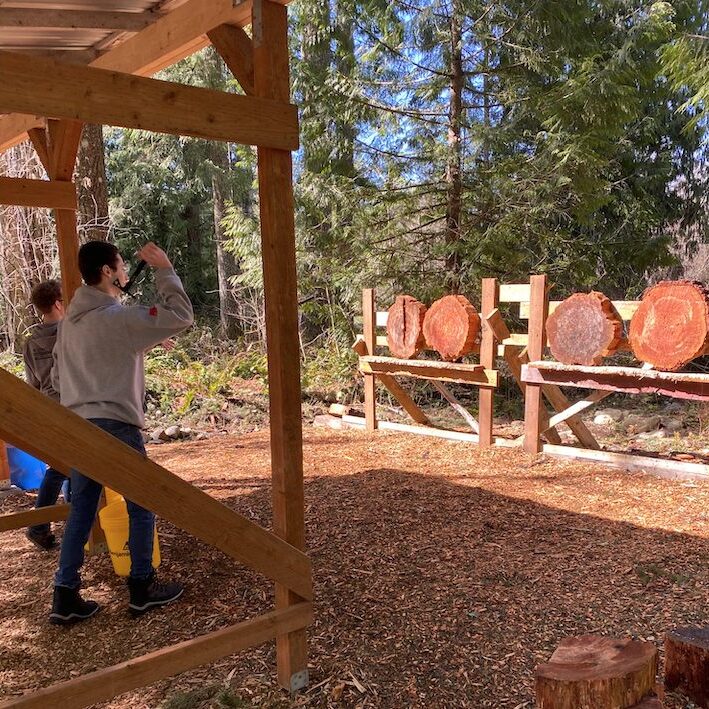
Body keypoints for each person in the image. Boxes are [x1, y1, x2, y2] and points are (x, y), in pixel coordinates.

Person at [50, 240, 194, 625]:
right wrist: (164, 267)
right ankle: (142, 587)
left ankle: (64, 595)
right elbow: (180, 314)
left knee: (81, 510)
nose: (126, 271)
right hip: (116, 425)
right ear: (106, 272)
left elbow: (55, 376)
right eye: (121, 265)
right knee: (141, 504)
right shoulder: (119, 319)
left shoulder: (70, 325)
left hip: (79, 428)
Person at [23, 279, 69, 550]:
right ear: (57, 304)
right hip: (73, 407)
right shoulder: (69, 332)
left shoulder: (30, 343)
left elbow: (33, 384)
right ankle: (39, 525)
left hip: (48, 408)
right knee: (65, 467)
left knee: (65, 466)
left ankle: (42, 525)